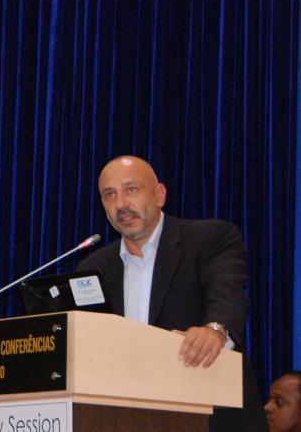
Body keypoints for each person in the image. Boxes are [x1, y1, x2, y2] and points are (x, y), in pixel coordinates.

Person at [78, 155, 266, 432]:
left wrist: (215, 329)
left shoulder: (208, 239)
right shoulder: (94, 268)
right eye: (110, 195)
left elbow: (227, 293)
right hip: (124, 419)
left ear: (160, 195)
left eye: (131, 189)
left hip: (210, 413)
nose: (121, 204)